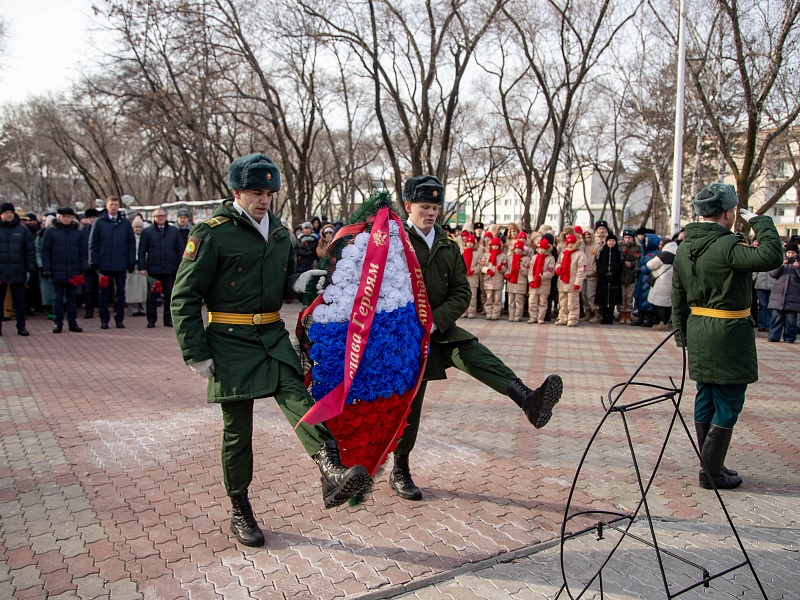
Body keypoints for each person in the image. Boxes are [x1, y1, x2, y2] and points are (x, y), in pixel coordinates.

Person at [171, 153, 371, 547]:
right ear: (236, 192)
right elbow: (184, 295)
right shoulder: (211, 233)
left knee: (298, 397)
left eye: (268, 193)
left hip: (271, 335)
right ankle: (240, 508)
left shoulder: (279, 232)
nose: (264, 200)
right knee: (237, 433)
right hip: (228, 339)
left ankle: (331, 469)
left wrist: (300, 282)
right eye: (256, 193)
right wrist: (195, 351)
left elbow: (279, 282)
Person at [392, 175, 563, 501]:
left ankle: (528, 399)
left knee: (474, 352)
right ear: (408, 206)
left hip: (438, 329)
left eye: (435, 207)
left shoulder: (447, 246)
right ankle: (400, 470)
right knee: (410, 406)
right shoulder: (394, 242)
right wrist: (409, 324)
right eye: (424, 207)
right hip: (404, 336)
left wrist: (435, 321)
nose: (431, 213)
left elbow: (461, 292)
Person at [672, 183, 782, 490]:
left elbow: (678, 296)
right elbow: (772, 256)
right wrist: (760, 221)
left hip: (698, 330)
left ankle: (711, 465)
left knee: (706, 395)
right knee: (729, 399)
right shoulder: (727, 246)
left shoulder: (685, 248)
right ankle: (711, 471)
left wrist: (682, 335)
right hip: (728, 333)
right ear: (729, 213)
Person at [89, 196, 136, 329]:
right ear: (107, 206)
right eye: (111, 205)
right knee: (103, 293)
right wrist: (93, 261)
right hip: (104, 263)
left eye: (116, 205)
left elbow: (131, 243)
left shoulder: (125, 223)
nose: (114, 207)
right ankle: (104, 320)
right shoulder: (99, 222)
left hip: (120, 263)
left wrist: (131, 261)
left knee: (120, 293)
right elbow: (93, 243)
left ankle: (119, 319)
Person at [40, 207, 85, 333]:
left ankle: (72, 322)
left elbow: (83, 251)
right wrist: (47, 268)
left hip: (73, 270)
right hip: (57, 269)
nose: (66, 219)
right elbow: (45, 251)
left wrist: (83, 268)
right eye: (64, 216)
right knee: (57, 298)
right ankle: (57, 322)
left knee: (72, 298)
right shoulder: (51, 231)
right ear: (59, 217)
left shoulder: (77, 232)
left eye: (69, 217)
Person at [138, 208, 183, 327]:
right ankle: (151, 320)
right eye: (158, 216)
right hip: (153, 269)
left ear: (166, 216)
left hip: (170, 269)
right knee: (152, 296)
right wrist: (142, 267)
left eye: (163, 215)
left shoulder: (174, 231)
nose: (161, 218)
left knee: (170, 296)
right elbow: (141, 251)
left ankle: (168, 319)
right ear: (153, 218)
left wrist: (180, 266)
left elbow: (180, 250)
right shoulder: (147, 232)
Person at [0, 202, 36, 336]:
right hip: (1, 272)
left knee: (19, 301)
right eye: (6, 213)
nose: (9, 215)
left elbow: (30, 250)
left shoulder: (22, 230)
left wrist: (29, 269)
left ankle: (21, 326)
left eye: (11, 212)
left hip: (18, 271)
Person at [766, 242, 800, 343]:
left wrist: (797, 268)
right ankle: (773, 336)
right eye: (789, 252)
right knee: (776, 317)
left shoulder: (798, 263)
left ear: (797, 253)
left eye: (793, 253)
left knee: (791, 319)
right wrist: (780, 265)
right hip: (778, 296)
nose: (790, 255)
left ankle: (789, 337)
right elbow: (772, 274)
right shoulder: (781, 261)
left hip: (793, 296)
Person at [646, 238, 679, 330]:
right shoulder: (678, 252)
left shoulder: (664, 254)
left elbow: (650, 264)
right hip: (671, 282)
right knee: (667, 304)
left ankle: (663, 323)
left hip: (662, 283)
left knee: (660, 304)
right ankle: (666, 322)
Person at [554, 234, 587, 327]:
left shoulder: (580, 254)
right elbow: (558, 262)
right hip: (563, 281)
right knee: (563, 302)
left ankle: (573, 319)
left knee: (572, 303)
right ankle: (563, 318)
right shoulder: (563, 252)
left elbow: (582, 270)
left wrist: (578, 282)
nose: (570, 245)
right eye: (568, 243)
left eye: (572, 243)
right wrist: (558, 268)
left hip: (573, 281)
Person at [595, 233, 623, 325]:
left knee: (612, 299)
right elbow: (598, 263)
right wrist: (604, 273)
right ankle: (604, 317)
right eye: (609, 241)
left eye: (613, 241)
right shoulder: (602, 251)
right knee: (603, 299)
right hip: (603, 278)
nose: (611, 243)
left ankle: (610, 317)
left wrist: (613, 272)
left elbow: (620, 264)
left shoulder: (618, 252)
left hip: (614, 278)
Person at [528, 237, 556, 324]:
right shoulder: (534, 257)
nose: (540, 250)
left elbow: (551, 272)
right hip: (534, 283)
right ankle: (533, 317)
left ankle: (540, 317)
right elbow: (530, 270)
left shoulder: (551, 258)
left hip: (544, 284)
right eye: (539, 248)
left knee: (543, 302)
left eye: (543, 249)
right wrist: (531, 280)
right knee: (532, 301)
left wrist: (541, 276)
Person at [617, 228, 640, 324]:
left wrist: (632, 264)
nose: (627, 239)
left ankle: (628, 315)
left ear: (633, 238)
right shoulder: (620, 247)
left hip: (632, 276)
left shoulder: (637, 248)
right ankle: (622, 314)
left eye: (629, 238)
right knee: (622, 296)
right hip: (621, 275)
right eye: (625, 237)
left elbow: (639, 260)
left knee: (630, 296)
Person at [80, 208, 100, 318]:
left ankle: (102, 308)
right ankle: (89, 310)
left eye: (94, 217)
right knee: (88, 289)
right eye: (90, 218)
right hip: (87, 264)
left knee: (102, 288)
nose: (92, 220)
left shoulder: (101, 230)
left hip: (100, 264)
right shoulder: (82, 232)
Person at [482, 236, 507, 320]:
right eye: (493, 245)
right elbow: (481, 266)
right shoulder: (486, 255)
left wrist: (501, 268)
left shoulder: (503, 256)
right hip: (488, 280)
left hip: (498, 280)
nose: (495, 247)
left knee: (497, 299)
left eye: (497, 245)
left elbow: (506, 268)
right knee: (489, 298)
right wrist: (487, 270)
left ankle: (495, 314)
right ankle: (488, 313)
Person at [127, 217, 148, 316]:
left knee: (143, 289)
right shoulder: (129, 238)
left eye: (140, 227)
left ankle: (143, 308)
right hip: (132, 265)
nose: (138, 229)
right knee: (132, 289)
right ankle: (133, 308)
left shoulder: (145, 237)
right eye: (136, 227)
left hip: (143, 265)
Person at [505, 239, 530, 322]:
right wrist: (507, 274)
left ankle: (518, 315)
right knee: (511, 301)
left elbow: (527, 272)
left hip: (520, 282)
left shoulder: (526, 259)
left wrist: (521, 268)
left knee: (519, 301)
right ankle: (511, 315)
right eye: (516, 248)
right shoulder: (510, 257)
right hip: (511, 282)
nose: (517, 250)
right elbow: (507, 268)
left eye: (519, 249)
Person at [462, 233, 482, 318]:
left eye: (471, 242)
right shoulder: (463, 252)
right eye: (468, 242)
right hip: (464, 277)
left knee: (472, 296)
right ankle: (464, 311)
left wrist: (473, 270)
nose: (469, 244)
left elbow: (480, 265)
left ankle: (471, 311)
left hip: (473, 277)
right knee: (463, 295)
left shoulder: (478, 253)